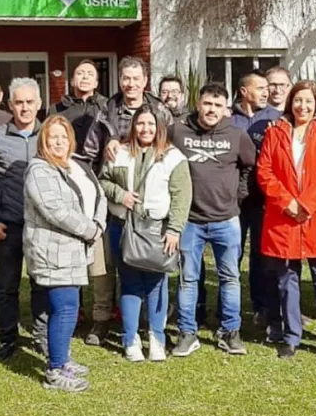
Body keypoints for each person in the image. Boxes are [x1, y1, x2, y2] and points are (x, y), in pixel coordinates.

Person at [81, 56, 172, 346]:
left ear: (146, 80)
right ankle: (102, 318)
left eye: (136, 78)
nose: (130, 84)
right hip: (112, 204)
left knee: (148, 261)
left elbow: (172, 151)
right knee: (106, 265)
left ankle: (148, 322)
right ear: (119, 80)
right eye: (125, 79)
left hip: (150, 205)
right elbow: (87, 155)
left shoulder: (160, 110)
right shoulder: (105, 111)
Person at [256, 81, 316, 361]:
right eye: (297, 100)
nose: (302, 106)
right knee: (287, 279)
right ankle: (292, 336)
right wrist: (288, 202)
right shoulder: (276, 131)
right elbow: (264, 170)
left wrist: (305, 203)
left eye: (308, 101)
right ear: (290, 102)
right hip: (284, 216)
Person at [99, 105, 192, 362]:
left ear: (160, 126)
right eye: (140, 123)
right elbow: (103, 181)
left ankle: (157, 338)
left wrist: (174, 230)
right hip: (124, 226)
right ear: (133, 126)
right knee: (129, 283)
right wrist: (121, 195)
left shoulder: (173, 157)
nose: (145, 129)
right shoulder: (119, 153)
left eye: (151, 124)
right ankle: (130, 339)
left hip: (158, 230)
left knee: (155, 284)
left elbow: (181, 197)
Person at [171, 83, 256, 357]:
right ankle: (187, 332)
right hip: (189, 220)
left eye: (218, 105)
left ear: (226, 109)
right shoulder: (178, 131)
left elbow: (249, 166)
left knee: (230, 278)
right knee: (188, 279)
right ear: (198, 104)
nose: (212, 110)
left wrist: (239, 195)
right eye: (208, 104)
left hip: (227, 219)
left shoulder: (237, 135)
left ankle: (230, 332)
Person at [24, 116, 107, 391]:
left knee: (67, 308)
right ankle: (55, 371)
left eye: (63, 136)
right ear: (43, 141)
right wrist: (90, 230)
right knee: (66, 308)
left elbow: (100, 195)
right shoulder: (39, 169)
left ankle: (62, 359)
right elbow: (55, 210)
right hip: (54, 250)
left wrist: (99, 224)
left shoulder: (77, 164)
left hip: (76, 248)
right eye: (52, 137)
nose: (58, 142)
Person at [0, 77, 47, 362]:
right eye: (19, 102)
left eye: (30, 102)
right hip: (8, 227)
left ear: (39, 104)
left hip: (43, 228)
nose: (25, 108)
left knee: (41, 284)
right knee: (6, 287)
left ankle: (42, 337)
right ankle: (7, 339)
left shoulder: (50, 134)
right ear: (10, 105)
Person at [230, 71, 282, 333]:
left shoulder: (276, 118)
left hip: (265, 200)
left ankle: (262, 308)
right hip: (233, 200)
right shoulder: (228, 119)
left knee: (262, 257)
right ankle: (230, 309)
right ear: (243, 91)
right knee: (232, 255)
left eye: (267, 88)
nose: (266, 92)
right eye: (260, 88)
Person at [46, 59, 107, 151]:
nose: (85, 77)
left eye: (90, 74)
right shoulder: (57, 109)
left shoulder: (107, 107)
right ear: (72, 82)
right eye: (80, 73)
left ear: (96, 84)